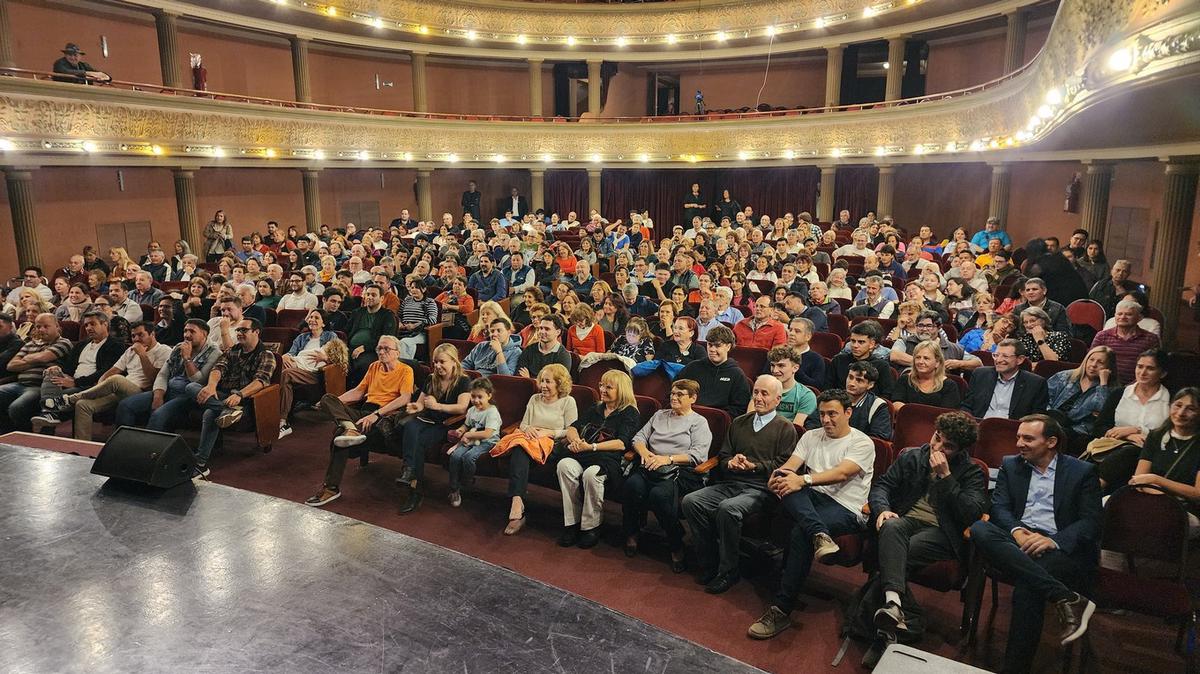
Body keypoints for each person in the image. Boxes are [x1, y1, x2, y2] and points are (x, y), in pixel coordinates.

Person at [968, 415, 1101, 674]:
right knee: (979, 528)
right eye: (1018, 437)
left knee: (1028, 587)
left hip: (1058, 546)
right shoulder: (1011, 465)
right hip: (1019, 539)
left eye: (1028, 438)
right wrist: (1018, 531)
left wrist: (1053, 540)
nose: (1019, 443)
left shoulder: (1081, 472)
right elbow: (999, 508)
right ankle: (1066, 597)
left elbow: (1091, 522)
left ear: (1051, 441)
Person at [859, 412, 987, 666]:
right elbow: (882, 486)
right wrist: (883, 508)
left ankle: (880, 631)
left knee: (896, 554)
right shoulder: (912, 456)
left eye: (947, 446)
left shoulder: (971, 471)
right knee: (891, 527)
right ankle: (897, 609)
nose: (937, 447)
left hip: (942, 533)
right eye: (937, 438)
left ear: (961, 450)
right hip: (907, 519)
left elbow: (971, 513)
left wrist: (947, 477)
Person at [747, 388, 876, 639]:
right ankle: (819, 534)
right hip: (811, 499)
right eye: (822, 414)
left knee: (799, 531)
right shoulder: (811, 436)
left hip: (846, 507)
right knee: (787, 484)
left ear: (848, 413)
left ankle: (782, 609)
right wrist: (779, 476)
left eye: (833, 414)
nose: (826, 420)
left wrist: (802, 480)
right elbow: (790, 467)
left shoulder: (862, 442)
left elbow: (841, 473)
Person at [683, 375, 797, 594]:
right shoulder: (739, 422)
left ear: (777, 399)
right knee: (691, 501)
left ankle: (728, 571)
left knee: (729, 509)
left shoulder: (785, 428)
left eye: (765, 394)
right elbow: (723, 456)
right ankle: (710, 562)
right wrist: (732, 462)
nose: (759, 398)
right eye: (756, 392)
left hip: (762, 489)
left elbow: (784, 465)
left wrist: (754, 466)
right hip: (731, 482)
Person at [305, 335, 415, 507]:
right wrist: (333, 402)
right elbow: (358, 392)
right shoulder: (374, 366)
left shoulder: (406, 370)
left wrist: (376, 414)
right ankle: (351, 428)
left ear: (397, 352)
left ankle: (331, 488)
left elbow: (405, 398)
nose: (381, 352)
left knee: (340, 436)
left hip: (383, 416)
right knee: (328, 398)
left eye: (386, 348)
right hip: (364, 411)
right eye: (379, 348)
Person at [623, 378, 712, 572]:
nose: (674, 397)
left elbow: (698, 455)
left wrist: (668, 459)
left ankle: (675, 541)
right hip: (650, 464)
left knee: (659, 496)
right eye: (672, 393)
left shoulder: (698, 422)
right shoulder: (659, 415)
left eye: (680, 394)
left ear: (693, 398)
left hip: (679, 470)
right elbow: (638, 438)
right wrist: (645, 453)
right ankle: (632, 531)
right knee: (632, 486)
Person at [37, 321, 172, 440]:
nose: (136, 339)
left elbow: (155, 378)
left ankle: (69, 400)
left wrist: (142, 355)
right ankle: (81, 446)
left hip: (142, 392)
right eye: (133, 336)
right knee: (83, 405)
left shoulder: (163, 350)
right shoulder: (130, 350)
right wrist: (101, 384)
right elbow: (113, 370)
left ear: (152, 334)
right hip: (119, 389)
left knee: (117, 379)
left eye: (140, 335)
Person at [556, 370, 640, 548]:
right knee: (564, 465)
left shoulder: (630, 413)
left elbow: (621, 443)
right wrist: (577, 441)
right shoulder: (596, 408)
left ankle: (590, 527)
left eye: (609, 387)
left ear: (622, 390)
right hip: (583, 452)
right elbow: (573, 428)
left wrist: (592, 446)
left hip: (608, 459)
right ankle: (572, 523)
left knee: (591, 475)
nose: (602, 389)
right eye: (602, 385)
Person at [490, 364, 578, 535]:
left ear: (559, 384)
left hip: (553, 444)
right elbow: (524, 424)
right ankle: (517, 502)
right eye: (541, 381)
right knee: (520, 448)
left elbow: (572, 430)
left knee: (520, 449)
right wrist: (528, 429)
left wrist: (549, 432)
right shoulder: (534, 399)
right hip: (529, 441)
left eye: (548, 382)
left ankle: (517, 505)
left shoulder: (568, 402)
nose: (543, 385)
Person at [186, 318, 276, 476]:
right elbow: (218, 368)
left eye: (244, 330)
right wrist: (211, 385)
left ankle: (200, 463)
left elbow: (261, 381)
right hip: (222, 396)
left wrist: (240, 395)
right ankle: (225, 410)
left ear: (256, 332)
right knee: (191, 386)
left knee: (209, 413)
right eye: (238, 330)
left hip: (246, 402)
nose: (240, 333)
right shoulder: (232, 350)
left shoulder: (266, 355)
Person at [396, 343, 472, 514]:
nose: (437, 366)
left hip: (447, 425)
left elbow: (461, 408)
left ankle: (414, 487)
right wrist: (416, 407)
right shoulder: (431, 378)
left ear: (454, 361)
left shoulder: (463, 380)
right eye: (435, 362)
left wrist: (438, 406)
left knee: (418, 442)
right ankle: (410, 475)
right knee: (410, 425)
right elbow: (421, 403)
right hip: (427, 420)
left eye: (442, 362)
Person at [113, 319, 221, 431]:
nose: (187, 335)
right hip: (168, 389)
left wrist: (187, 359)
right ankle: (125, 444)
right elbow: (163, 374)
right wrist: (158, 396)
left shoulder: (214, 352)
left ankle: (149, 447)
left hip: (188, 396)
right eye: (185, 331)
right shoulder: (179, 347)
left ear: (204, 334)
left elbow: (199, 381)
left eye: (192, 331)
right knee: (125, 405)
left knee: (158, 415)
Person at [1088, 349, 1171, 489]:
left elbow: (1173, 435)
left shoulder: (1171, 399)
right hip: (1112, 449)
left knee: (1130, 453)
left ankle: (1094, 489)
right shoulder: (1119, 394)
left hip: (1153, 456)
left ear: (1162, 373)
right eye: (1140, 366)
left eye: (1150, 368)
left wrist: (1138, 431)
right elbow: (1099, 428)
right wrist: (1130, 435)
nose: (1142, 372)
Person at [32, 311, 124, 428]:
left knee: (57, 397)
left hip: (94, 386)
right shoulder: (81, 345)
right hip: (73, 381)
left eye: (92, 324)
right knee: (51, 372)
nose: (88, 328)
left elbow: (106, 372)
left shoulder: (116, 345)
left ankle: (50, 414)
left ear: (105, 324)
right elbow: (69, 367)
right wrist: (59, 369)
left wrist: (75, 382)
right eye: (86, 325)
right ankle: (49, 414)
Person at [1126, 388, 1200, 521]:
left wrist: (1156, 480)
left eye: (1191, 409)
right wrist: (1160, 497)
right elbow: (1139, 479)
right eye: (1178, 405)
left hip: (1185, 509)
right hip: (1152, 499)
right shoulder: (1156, 436)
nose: (1181, 413)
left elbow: (1197, 494)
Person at [277, 310, 347, 439]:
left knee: (286, 374)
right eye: (310, 317)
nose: (312, 320)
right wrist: (286, 357)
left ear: (323, 323)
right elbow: (291, 353)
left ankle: (282, 421)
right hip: (297, 369)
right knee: (281, 373)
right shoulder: (301, 337)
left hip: (316, 373)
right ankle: (277, 418)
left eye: (316, 318)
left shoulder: (330, 336)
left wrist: (325, 359)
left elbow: (338, 356)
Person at [0, 314, 72, 432]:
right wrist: (36, 360)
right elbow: (11, 365)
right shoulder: (30, 344)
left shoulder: (63, 342)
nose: (41, 329)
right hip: (19, 384)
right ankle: (7, 435)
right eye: (38, 326)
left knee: (16, 408)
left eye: (46, 326)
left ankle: (25, 437)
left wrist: (25, 359)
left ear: (57, 327)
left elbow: (43, 357)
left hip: (40, 387)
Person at [445, 378, 503, 507]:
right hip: (471, 440)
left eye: (480, 397)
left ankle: (466, 481)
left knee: (469, 457)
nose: (476, 400)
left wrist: (468, 434)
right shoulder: (472, 411)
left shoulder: (492, 412)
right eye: (473, 396)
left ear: (489, 395)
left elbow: (487, 433)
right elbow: (466, 425)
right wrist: (461, 430)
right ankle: (454, 488)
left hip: (488, 442)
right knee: (455, 456)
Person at [1047, 345, 1117, 450]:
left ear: (1109, 368)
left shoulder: (1111, 390)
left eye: (1100, 362)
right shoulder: (1064, 377)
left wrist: (1103, 384)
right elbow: (1045, 399)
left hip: (1077, 432)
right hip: (1051, 421)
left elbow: (1101, 414)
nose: (1093, 365)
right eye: (1091, 359)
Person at [960, 339, 1049, 419]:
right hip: (979, 426)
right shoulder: (980, 374)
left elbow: (1036, 418)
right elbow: (966, 406)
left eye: (1005, 356)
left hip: (1013, 431)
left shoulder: (1036, 383)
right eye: (996, 355)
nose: (998, 360)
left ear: (1020, 360)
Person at [675, 326, 751, 418]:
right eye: (710, 345)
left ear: (728, 346)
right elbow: (674, 393)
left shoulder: (737, 375)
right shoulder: (692, 367)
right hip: (686, 418)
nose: (712, 349)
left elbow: (739, 409)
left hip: (716, 422)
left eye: (717, 346)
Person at [1091, 299, 1161, 384]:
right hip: (1105, 383)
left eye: (1129, 314)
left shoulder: (1151, 339)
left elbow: (1155, 367)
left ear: (1139, 318)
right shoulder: (1102, 336)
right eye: (1119, 314)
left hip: (1138, 386)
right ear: (1115, 316)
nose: (1123, 317)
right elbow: (1091, 362)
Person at [891, 310, 982, 373]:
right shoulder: (905, 341)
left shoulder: (954, 348)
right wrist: (931, 364)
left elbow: (977, 363)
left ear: (939, 327)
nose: (924, 329)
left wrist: (959, 363)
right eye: (920, 325)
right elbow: (895, 355)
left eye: (929, 326)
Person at [345, 284, 398, 386]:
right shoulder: (357, 312)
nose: (369, 297)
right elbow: (346, 331)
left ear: (381, 298)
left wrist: (364, 347)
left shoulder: (387, 315)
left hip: (373, 350)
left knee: (362, 365)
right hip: (351, 348)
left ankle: (361, 392)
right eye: (368, 294)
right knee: (336, 364)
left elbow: (387, 339)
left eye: (373, 295)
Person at [827, 320, 896, 399]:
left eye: (861, 342)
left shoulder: (881, 366)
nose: (855, 345)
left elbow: (886, 394)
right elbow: (827, 388)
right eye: (853, 341)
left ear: (872, 344)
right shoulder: (838, 360)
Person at [892, 340, 963, 409]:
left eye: (926, 358)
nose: (920, 362)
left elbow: (948, 414)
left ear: (937, 362)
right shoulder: (905, 379)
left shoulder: (949, 385)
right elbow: (896, 404)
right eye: (918, 357)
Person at [763, 345, 817, 425]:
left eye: (781, 366)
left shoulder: (806, 396)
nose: (775, 370)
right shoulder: (762, 389)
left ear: (795, 368)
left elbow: (796, 429)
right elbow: (750, 420)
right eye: (772, 365)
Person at [395, 276, 438, 360]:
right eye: (412, 288)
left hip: (420, 332)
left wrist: (415, 325)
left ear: (424, 289)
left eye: (417, 288)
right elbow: (399, 315)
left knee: (404, 342)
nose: (413, 290)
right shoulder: (407, 300)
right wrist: (400, 323)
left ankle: (405, 366)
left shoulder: (429, 302)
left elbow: (432, 319)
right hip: (404, 331)